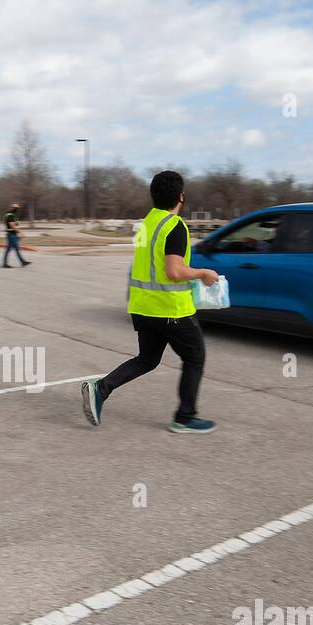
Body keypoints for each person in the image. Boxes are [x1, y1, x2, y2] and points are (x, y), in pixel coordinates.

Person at [81, 170, 220, 434]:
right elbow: (174, 271)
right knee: (195, 358)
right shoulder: (174, 226)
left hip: (143, 306)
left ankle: (101, 389)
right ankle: (185, 417)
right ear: (181, 196)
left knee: (147, 359)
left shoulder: (146, 223)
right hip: (170, 308)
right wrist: (202, 274)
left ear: (153, 196)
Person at [2, 202, 30, 268]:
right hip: (12, 235)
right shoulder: (10, 215)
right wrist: (21, 233)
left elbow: (14, 225)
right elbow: (13, 226)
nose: (16, 209)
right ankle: (22, 262)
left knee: (10, 249)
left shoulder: (8, 214)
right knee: (15, 249)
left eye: (17, 208)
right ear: (11, 207)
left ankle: (6, 263)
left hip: (11, 235)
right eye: (15, 208)